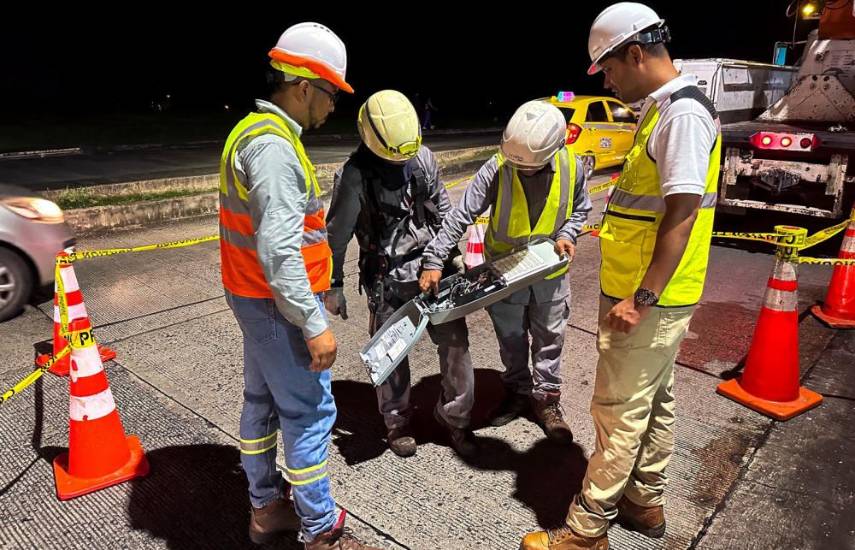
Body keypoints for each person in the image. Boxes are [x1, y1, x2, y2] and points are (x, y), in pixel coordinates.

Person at [520, 3, 721, 548]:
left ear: (636, 53)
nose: (606, 80)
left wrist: (641, 298)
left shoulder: (680, 116)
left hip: (649, 299)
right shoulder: (666, 109)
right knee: (655, 401)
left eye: (608, 69)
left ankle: (586, 530)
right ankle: (644, 502)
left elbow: (680, 216)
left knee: (618, 412)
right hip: (658, 297)